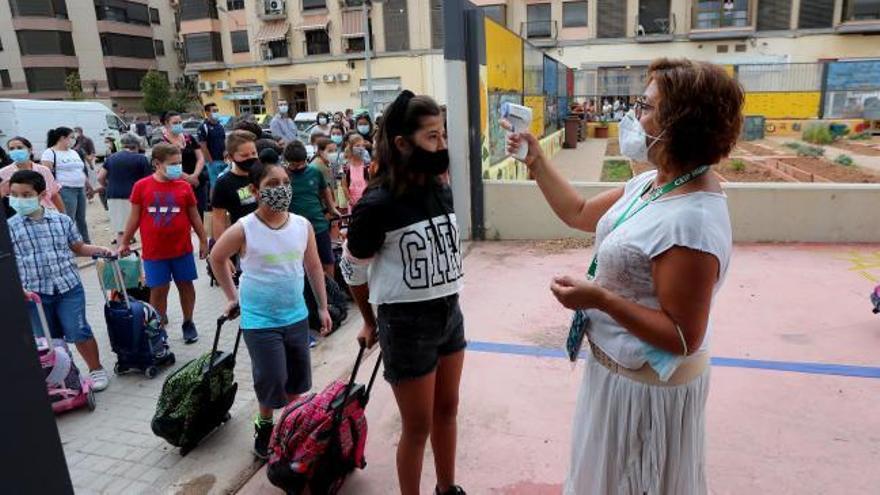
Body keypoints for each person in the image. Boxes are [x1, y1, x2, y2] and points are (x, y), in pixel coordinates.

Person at [506, 58, 741, 494]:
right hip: (614, 375)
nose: (633, 116)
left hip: (646, 394)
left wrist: (600, 299)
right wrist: (535, 159)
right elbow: (578, 213)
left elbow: (682, 336)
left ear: (680, 124)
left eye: (646, 107)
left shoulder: (691, 221)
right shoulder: (655, 183)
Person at [341, 91, 465, 495]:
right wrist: (369, 320)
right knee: (418, 427)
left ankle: (447, 488)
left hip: (449, 313)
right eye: (432, 137)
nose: (441, 146)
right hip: (406, 324)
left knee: (448, 410)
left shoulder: (440, 190)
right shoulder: (376, 204)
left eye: (442, 135)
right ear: (402, 143)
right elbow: (352, 268)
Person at [209, 159, 332, 459]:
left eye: (285, 183)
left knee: (297, 381)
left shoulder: (302, 225)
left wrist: (323, 307)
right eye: (272, 185)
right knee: (271, 380)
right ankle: (265, 425)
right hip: (260, 321)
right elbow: (216, 257)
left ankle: (293, 427)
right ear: (255, 190)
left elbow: (314, 266)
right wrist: (232, 295)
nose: (281, 190)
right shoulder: (244, 228)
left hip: (296, 316)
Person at [8, 170, 113, 391]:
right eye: (14, 194)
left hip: (68, 287)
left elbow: (77, 246)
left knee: (78, 331)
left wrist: (100, 249)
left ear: (41, 194)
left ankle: (96, 369)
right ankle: (66, 376)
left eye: (26, 195)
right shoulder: (10, 227)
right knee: (48, 340)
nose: (19, 200)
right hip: (34, 294)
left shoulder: (61, 220)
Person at [120, 143, 208, 344]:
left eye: (179, 163)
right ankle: (157, 327)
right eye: (173, 164)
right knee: (158, 290)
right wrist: (124, 242)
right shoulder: (141, 186)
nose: (178, 168)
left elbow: (195, 216)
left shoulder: (184, 186)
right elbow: (134, 218)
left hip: (182, 249)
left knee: (186, 286)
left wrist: (203, 240)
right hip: (154, 252)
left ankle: (188, 322)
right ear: (157, 164)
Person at [283, 141, 340, 277]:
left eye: (301, 164)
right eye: (293, 165)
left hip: (318, 224)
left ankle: (330, 292)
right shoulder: (282, 176)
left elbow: (325, 189)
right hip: (293, 228)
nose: (297, 167)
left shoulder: (314, 172)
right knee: (299, 263)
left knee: (327, 259)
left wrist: (332, 208)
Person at [98, 133, 152, 245]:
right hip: (134, 197)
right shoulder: (141, 159)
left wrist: (107, 185)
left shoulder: (112, 158)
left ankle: (123, 256)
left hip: (113, 195)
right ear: (137, 145)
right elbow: (149, 181)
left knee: (121, 230)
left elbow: (100, 177)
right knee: (142, 227)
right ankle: (126, 255)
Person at [41, 127, 92, 243]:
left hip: (80, 188)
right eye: (71, 137)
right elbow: (46, 174)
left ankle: (85, 242)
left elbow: (80, 170)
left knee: (81, 218)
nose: (74, 140)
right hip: (65, 189)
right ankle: (68, 243)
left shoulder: (73, 152)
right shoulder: (50, 153)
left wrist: (88, 185)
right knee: (68, 217)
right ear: (62, 138)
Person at [211, 130, 259, 245]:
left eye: (254, 153)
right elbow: (218, 220)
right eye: (244, 155)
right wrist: (223, 253)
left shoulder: (263, 175)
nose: (251, 158)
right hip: (241, 241)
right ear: (231, 157)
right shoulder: (224, 183)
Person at [160, 111, 208, 218]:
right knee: (183, 213)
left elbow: (200, 157)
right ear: (167, 124)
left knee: (200, 211)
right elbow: (167, 166)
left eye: (180, 122)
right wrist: (188, 178)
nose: (178, 125)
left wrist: (195, 175)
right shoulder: (163, 142)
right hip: (178, 182)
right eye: (175, 123)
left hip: (198, 181)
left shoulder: (189, 139)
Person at [1, 137, 65, 212]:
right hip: (17, 217)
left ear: (30, 149)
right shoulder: (3, 173)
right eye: (12, 149)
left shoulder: (44, 170)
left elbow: (54, 195)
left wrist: (62, 214)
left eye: (19, 148)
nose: (16, 151)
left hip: (46, 213)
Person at [199, 102, 229, 189]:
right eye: (214, 111)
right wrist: (210, 161)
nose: (216, 112)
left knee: (225, 186)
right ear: (207, 113)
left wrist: (226, 153)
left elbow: (224, 141)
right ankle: (214, 202)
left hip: (224, 160)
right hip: (213, 162)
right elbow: (203, 146)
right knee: (215, 186)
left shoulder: (220, 126)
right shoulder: (203, 127)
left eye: (217, 110)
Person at [341, 134, 370, 208]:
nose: (361, 148)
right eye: (357, 146)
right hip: (353, 203)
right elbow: (344, 185)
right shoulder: (345, 167)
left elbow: (371, 182)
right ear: (351, 148)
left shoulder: (367, 165)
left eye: (362, 146)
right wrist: (349, 199)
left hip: (367, 201)